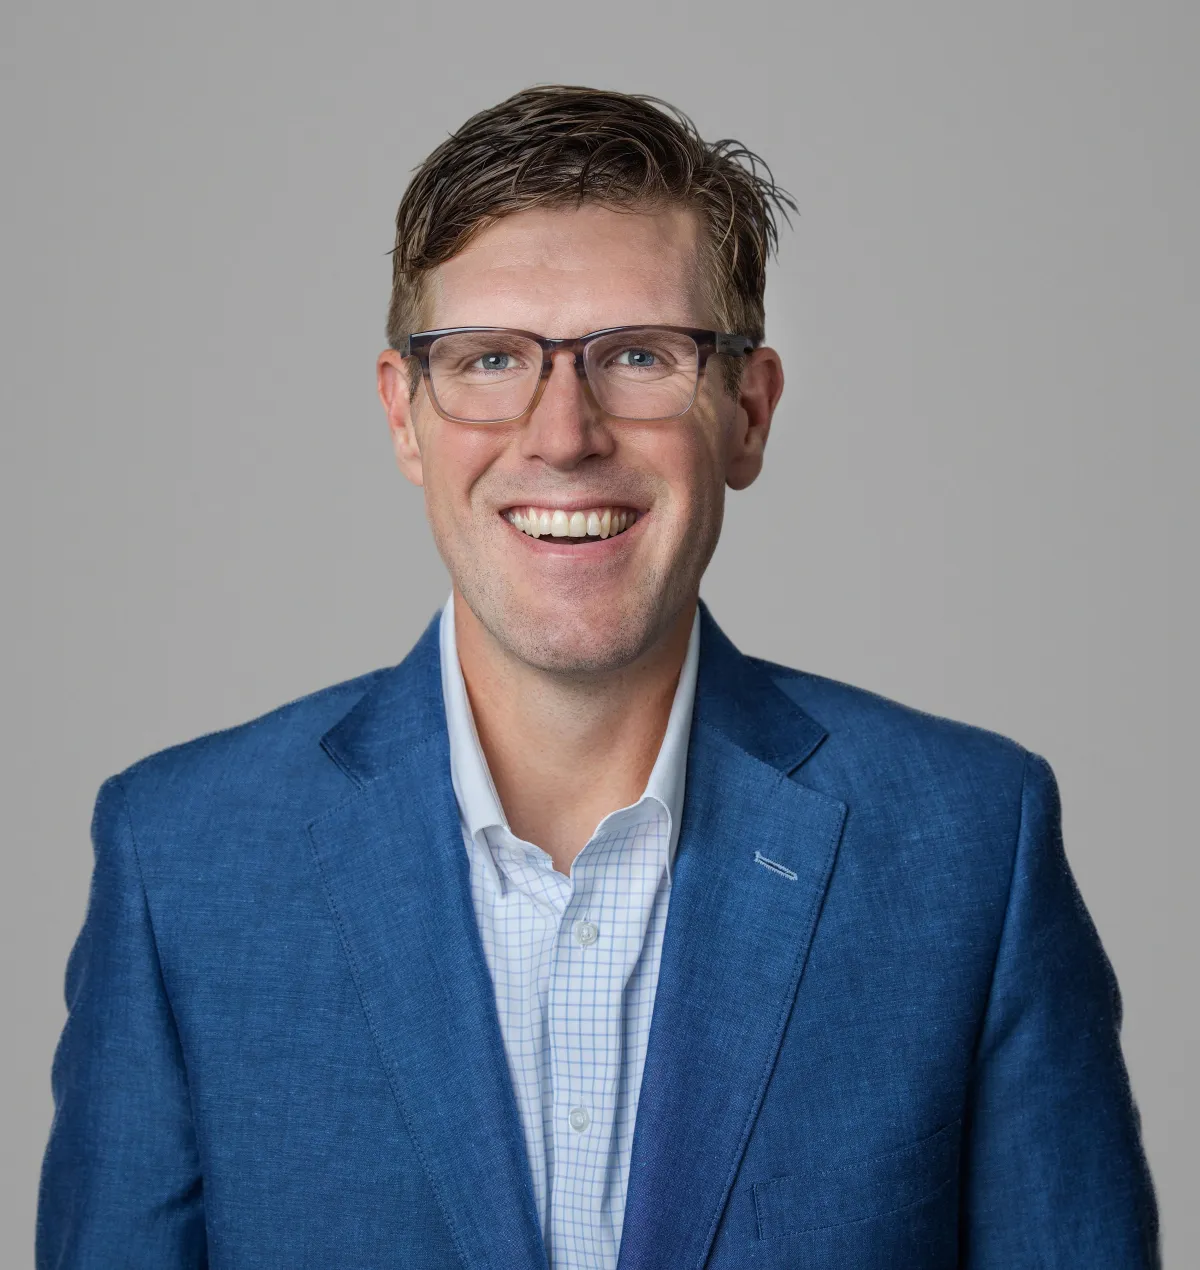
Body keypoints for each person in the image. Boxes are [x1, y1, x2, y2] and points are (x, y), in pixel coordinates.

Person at [38, 85, 1158, 1269]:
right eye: (487, 360)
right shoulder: (186, 858)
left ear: (748, 412)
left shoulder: (971, 847)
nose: (562, 431)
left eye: (638, 355)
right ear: (404, 416)